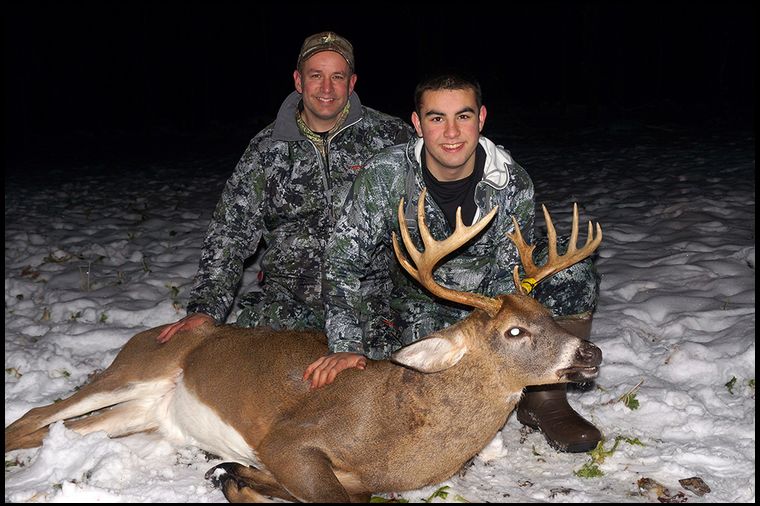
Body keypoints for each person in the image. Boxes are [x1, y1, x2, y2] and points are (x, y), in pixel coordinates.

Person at [304, 73, 602, 453]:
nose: (451, 132)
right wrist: (345, 344)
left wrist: (497, 331)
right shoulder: (386, 175)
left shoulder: (510, 182)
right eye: (436, 118)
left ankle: (545, 399)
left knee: (572, 272)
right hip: (411, 297)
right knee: (406, 370)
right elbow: (343, 262)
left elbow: (510, 277)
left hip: (488, 301)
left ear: (481, 118)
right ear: (417, 124)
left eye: (463, 117)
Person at [156, 31, 413, 343]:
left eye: (338, 76)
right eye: (316, 75)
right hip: (289, 307)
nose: (327, 88)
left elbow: (433, 206)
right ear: (298, 80)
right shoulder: (267, 148)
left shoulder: (392, 138)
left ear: (352, 82)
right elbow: (230, 232)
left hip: (370, 305)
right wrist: (206, 308)